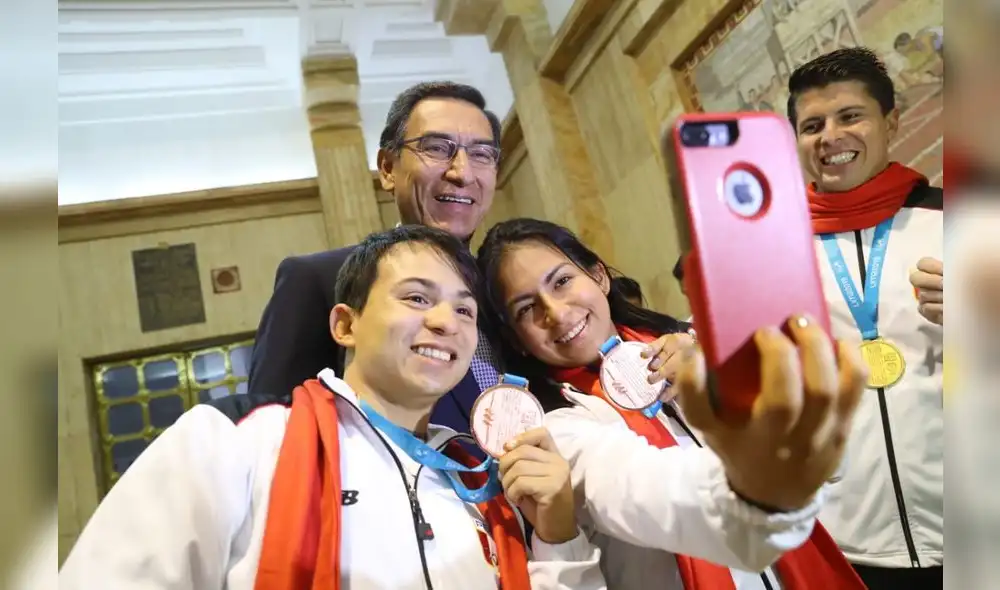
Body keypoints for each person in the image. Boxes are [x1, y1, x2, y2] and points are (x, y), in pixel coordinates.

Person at [59, 225, 606, 589]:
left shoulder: (480, 482)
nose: (447, 322)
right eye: (417, 298)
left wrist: (557, 535)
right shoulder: (239, 441)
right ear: (345, 324)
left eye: (465, 311)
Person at [476, 217, 869, 589]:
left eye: (561, 281)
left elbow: (835, 465)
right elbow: (655, 493)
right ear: (515, 338)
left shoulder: (699, 348)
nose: (557, 314)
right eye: (527, 309)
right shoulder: (559, 430)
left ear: (598, 276)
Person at [247, 81, 504, 437]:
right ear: (387, 168)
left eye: (481, 154)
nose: (462, 173)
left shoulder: (505, 288)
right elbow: (275, 438)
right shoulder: (318, 280)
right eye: (436, 148)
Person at [787, 47, 943, 588]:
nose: (831, 135)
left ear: (890, 121)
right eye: (813, 125)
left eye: (850, 116)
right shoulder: (772, 256)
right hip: (853, 545)